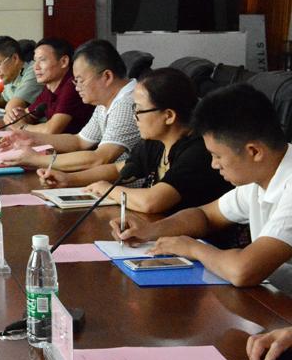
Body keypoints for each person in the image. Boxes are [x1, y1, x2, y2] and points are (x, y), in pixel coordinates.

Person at [113, 84, 292, 289]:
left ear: (254, 152)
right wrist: (150, 230)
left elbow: (243, 271)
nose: (214, 164)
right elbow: (206, 216)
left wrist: (193, 248)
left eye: (218, 156)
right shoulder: (261, 175)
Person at [39, 68, 229, 214]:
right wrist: (68, 179)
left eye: (139, 110)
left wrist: (107, 189)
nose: (134, 117)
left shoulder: (199, 151)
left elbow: (151, 202)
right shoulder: (156, 142)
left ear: (169, 116)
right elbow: (119, 170)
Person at [0, 39, 141, 171]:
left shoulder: (127, 103)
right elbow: (79, 141)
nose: (77, 87)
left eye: (80, 80)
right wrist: (31, 138)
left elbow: (100, 158)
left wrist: (36, 159)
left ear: (107, 77)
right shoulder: (106, 100)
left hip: (126, 187)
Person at [7, 37, 93, 134]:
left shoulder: (73, 85)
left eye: (42, 60)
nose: (36, 67)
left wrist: (22, 126)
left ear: (64, 61)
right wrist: (14, 116)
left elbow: (51, 130)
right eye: (35, 61)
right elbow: (28, 115)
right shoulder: (50, 87)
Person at [0, 35, 43, 114]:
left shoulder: (33, 71)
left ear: (15, 58)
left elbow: (13, 107)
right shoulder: (11, 75)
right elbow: (5, 99)